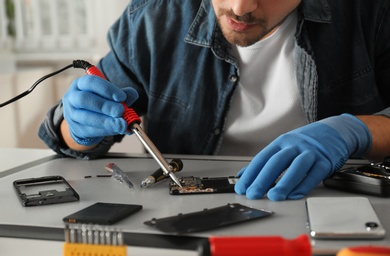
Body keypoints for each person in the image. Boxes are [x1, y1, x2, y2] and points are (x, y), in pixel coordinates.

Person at [39, 0, 390, 201]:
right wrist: (79, 127)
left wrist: (354, 131)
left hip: (329, 205)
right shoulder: (153, 18)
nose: (240, 7)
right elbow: (68, 136)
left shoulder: (372, 13)